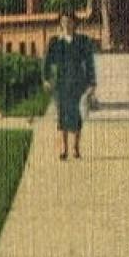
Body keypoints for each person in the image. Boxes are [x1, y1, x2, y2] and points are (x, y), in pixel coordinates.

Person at [43, 10, 97, 160]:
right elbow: (47, 62)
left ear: (74, 23)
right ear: (60, 23)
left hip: (78, 82)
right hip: (61, 83)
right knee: (62, 115)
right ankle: (63, 149)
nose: (67, 24)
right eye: (64, 21)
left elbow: (89, 63)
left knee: (76, 115)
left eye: (70, 21)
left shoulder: (82, 41)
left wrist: (92, 83)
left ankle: (75, 148)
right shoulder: (55, 42)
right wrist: (46, 79)